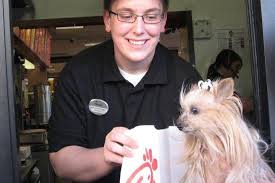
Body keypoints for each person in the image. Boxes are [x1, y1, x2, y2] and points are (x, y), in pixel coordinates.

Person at [48, 0, 201, 182]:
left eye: (151, 17)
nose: (138, 29)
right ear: (107, 20)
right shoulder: (78, 74)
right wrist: (106, 156)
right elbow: (61, 162)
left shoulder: (187, 79)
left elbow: (207, 151)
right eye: (126, 16)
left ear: (163, 21)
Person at [206, 49, 253, 114]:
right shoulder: (218, 84)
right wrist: (243, 105)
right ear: (225, 65)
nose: (237, 73)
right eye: (236, 67)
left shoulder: (216, 81)